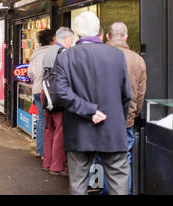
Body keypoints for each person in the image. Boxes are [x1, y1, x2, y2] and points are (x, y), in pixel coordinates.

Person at [55, 11, 132, 195]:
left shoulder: (66, 56)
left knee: (78, 184)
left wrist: (89, 111)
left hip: (79, 131)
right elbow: (125, 95)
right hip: (112, 129)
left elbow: (62, 92)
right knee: (118, 182)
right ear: (99, 31)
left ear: (78, 33)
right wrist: (116, 119)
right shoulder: (117, 56)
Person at [95, 22, 146, 195]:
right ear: (125, 36)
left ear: (107, 36)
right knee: (123, 162)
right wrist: (133, 115)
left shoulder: (98, 56)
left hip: (100, 118)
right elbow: (139, 95)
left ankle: (104, 189)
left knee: (102, 158)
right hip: (125, 121)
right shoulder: (138, 60)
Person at [42, 27, 74, 176]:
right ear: (66, 39)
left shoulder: (48, 51)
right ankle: (56, 166)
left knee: (49, 129)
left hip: (47, 93)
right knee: (60, 130)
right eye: (71, 40)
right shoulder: (64, 53)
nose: (71, 43)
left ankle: (47, 162)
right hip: (58, 95)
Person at [28, 29, 56, 159]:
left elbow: (30, 73)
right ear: (51, 40)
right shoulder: (53, 52)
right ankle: (47, 152)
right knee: (49, 121)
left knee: (41, 119)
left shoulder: (35, 54)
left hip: (36, 89)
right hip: (47, 90)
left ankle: (40, 150)